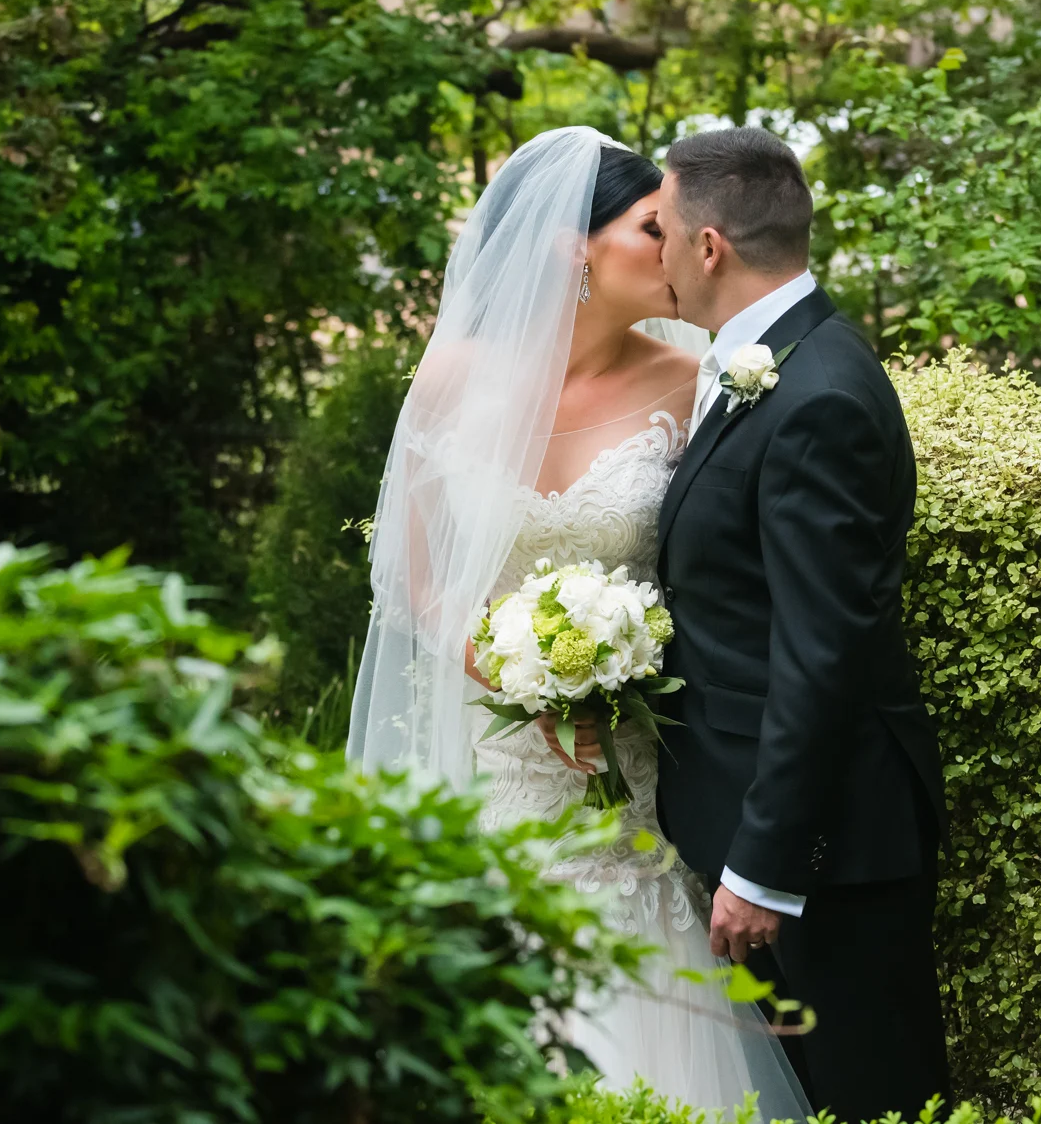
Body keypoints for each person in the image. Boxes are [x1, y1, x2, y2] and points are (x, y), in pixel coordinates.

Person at [346, 125, 808, 1120]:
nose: (678, 242)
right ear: (575, 250)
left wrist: (616, 679)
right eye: (651, 226)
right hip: (501, 769)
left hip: (634, 778)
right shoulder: (454, 376)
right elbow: (416, 576)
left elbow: (723, 580)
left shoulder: (693, 381)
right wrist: (519, 679)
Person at [652, 127, 951, 1121]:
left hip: (828, 851)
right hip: (775, 831)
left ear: (708, 248)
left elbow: (823, 657)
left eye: (663, 230)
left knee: (869, 1101)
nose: (656, 251)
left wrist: (765, 870)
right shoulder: (770, 360)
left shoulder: (818, 393)